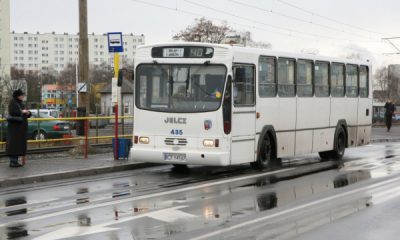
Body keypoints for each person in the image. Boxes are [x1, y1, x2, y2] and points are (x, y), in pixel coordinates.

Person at [6, 89, 31, 168]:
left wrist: (28, 113)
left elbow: (24, 112)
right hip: (15, 128)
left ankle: (15, 161)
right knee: (14, 144)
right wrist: (22, 112)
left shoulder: (20, 103)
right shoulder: (13, 102)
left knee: (18, 145)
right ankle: (13, 161)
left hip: (19, 128)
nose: (23, 96)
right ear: (18, 96)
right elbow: (12, 112)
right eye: (21, 95)